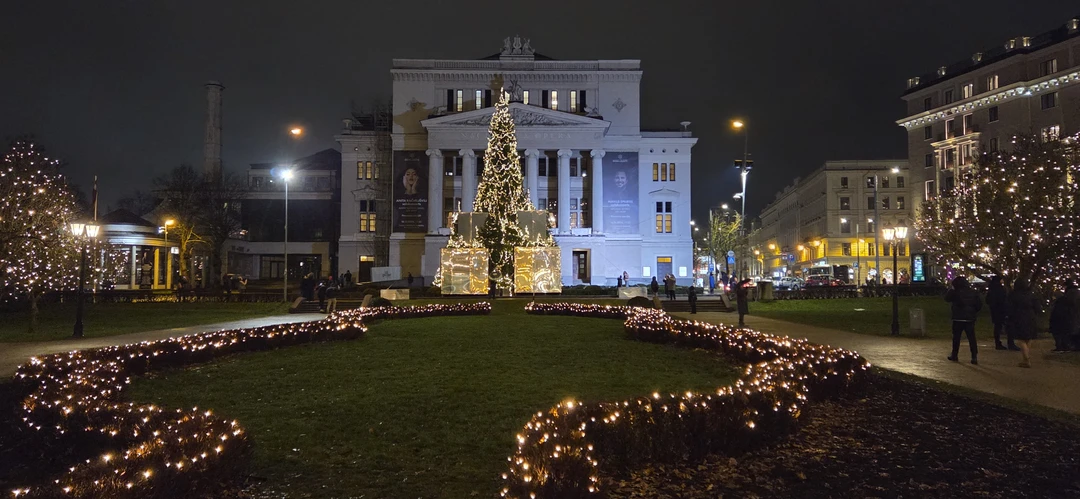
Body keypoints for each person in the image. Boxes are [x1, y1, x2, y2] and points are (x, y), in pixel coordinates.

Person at [945, 276, 982, 364]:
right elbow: (979, 304)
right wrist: (973, 312)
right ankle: (974, 356)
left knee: (956, 337)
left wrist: (951, 290)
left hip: (958, 318)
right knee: (971, 337)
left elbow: (946, 298)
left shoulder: (955, 292)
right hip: (970, 318)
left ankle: (954, 354)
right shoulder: (973, 292)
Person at [1007, 278, 1041, 368]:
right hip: (1030, 317)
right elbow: (1037, 307)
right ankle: (1026, 357)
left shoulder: (1013, 295)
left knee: (1021, 338)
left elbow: (1009, 307)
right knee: (1028, 338)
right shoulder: (1031, 295)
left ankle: (1026, 359)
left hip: (1019, 317)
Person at [986, 276, 1017, 351]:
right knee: (1008, 326)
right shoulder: (1000, 289)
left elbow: (988, 300)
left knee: (997, 327)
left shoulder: (991, 289)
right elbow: (1003, 300)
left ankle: (998, 342)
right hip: (1002, 310)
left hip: (994, 311)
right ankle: (1010, 343)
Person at [1049, 283, 1079, 352]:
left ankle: (1062, 346)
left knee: (1061, 332)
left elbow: (1058, 311)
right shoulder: (1074, 298)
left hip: (1065, 319)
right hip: (1072, 318)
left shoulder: (1063, 299)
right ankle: (1070, 346)